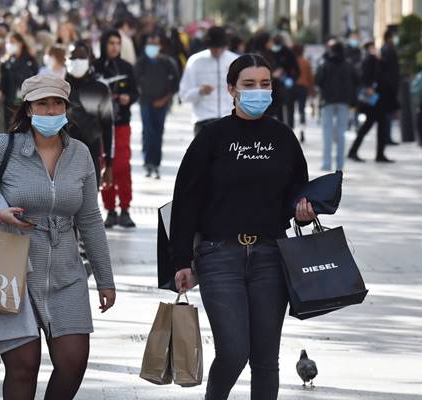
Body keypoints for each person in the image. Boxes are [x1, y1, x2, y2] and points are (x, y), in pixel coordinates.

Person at [0, 74, 116, 399]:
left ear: (66, 108)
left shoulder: (80, 154)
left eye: (57, 103)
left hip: (67, 274)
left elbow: (90, 219)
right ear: (28, 109)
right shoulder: (3, 147)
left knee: (74, 361)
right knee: (23, 366)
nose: (51, 111)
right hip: (11, 271)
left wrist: (105, 279)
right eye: (43, 104)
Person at [169, 54, 316, 400]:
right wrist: (180, 260)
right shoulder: (212, 137)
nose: (258, 91)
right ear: (232, 89)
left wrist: (302, 213)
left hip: (270, 257)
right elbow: (185, 200)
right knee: (234, 351)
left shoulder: (283, 138)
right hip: (220, 257)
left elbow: (298, 193)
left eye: (265, 84)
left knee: (265, 360)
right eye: (249, 84)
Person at [94, 29, 139, 228]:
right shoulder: (94, 68)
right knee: (105, 165)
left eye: (117, 43)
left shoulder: (126, 67)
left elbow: (136, 92)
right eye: (111, 43)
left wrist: (128, 98)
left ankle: (125, 209)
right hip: (101, 127)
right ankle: (110, 209)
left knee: (122, 165)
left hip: (121, 124)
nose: (114, 47)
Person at [65, 41, 114, 189]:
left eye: (81, 57)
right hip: (63, 158)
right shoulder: (59, 88)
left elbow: (107, 127)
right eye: (73, 57)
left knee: (89, 206)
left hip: (91, 155)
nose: (77, 61)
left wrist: (109, 164)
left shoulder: (100, 89)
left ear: (90, 59)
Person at [135, 32, 180, 179]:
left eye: (155, 44)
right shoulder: (141, 63)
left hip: (162, 102)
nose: (152, 47)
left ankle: (156, 163)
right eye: (150, 44)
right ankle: (147, 162)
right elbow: (134, 83)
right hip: (146, 102)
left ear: (160, 46)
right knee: (147, 131)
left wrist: (165, 99)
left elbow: (175, 84)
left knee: (158, 132)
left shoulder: (168, 63)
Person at [179, 26, 238, 135]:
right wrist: (199, 91)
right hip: (203, 121)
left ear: (224, 46)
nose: (215, 50)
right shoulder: (195, 61)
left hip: (230, 120)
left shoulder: (235, 61)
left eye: (218, 47)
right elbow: (183, 95)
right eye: (212, 47)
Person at [315, 41, 358, 171]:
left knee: (327, 133)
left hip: (328, 101)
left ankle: (326, 163)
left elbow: (318, 80)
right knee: (341, 133)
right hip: (344, 101)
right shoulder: (348, 64)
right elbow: (357, 80)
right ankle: (340, 165)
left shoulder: (325, 64)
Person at [348, 41, 393, 162]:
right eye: (372, 47)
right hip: (374, 101)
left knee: (379, 126)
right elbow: (365, 76)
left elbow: (384, 71)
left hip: (379, 100)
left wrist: (379, 59)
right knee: (367, 126)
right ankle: (354, 151)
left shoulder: (374, 59)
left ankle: (379, 154)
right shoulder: (368, 59)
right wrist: (369, 87)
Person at [0, 32, 38, 130]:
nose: (9, 45)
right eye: (7, 42)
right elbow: (3, 81)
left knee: (25, 127)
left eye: (12, 42)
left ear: (20, 43)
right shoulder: (5, 62)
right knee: (8, 127)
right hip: (9, 100)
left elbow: (35, 78)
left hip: (26, 100)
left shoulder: (30, 60)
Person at [380, 29, 401, 145]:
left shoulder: (387, 48)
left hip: (389, 87)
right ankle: (386, 138)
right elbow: (389, 70)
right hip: (388, 88)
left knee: (388, 115)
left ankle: (387, 137)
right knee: (386, 115)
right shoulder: (387, 49)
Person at [292, 43, 315, 142]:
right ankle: (302, 131)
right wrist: (312, 91)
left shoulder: (291, 62)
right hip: (303, 87)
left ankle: (291, 130)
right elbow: (310, 78)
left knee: (291, 110)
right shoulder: (306, 62)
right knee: (302, 110)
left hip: (292, 87)